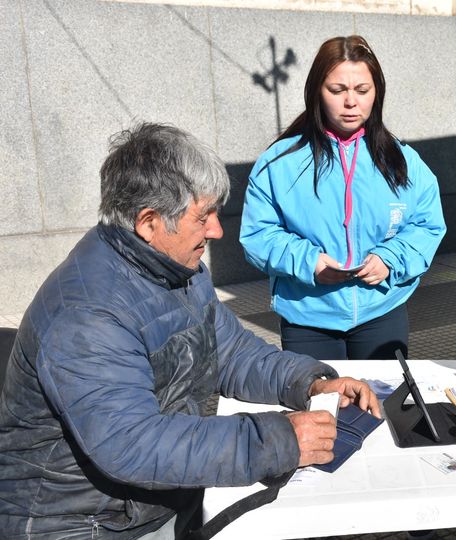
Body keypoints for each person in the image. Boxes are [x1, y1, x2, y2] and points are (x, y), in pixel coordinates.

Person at [0, 122, 380, 539]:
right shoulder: (87, 314)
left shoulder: (179, 267)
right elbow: (132, 443)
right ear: (149, 223)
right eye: (204, 216)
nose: (217, 230)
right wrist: (279, 439)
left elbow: (231, 352)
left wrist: (310, 383)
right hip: (83, 525)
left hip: (151, 501)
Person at [240, 35, 446, 360]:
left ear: (376, 92)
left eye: (362, 90)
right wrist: (309, 262)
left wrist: (391, 258)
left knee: (381, 407)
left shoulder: (403, 160)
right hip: (307, 316)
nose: (351, 102)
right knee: (321, 409)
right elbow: (258, 235)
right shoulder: (279, 162)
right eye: (337, 90)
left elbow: (427, 224)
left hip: (382, 311)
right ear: (316, 92)